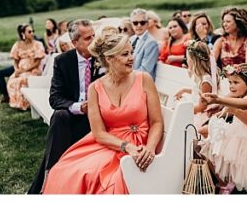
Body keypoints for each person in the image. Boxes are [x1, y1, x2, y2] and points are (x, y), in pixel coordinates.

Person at [42, 31, 164, 194]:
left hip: (140, 144)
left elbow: (156, 122)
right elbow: (98, 133)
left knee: (110, 180)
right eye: (125, 54)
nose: (132, 58)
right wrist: (126, 147)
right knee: (65, 170)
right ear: (109, 59)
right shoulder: (95, 88)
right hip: (110, 143)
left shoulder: (144, 79)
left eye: (131, 53)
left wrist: (149, 149)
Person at [28, 19, 102, 194]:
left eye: (93, 36)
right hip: (74, 114)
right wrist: (78, 107)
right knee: (60, 116)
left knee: (58, 132)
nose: (93, 41)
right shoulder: (62, 61)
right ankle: (51, 174)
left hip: (98, 116)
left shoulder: (103, 58)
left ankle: (46, 183)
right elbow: (55, 98)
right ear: (75, 42)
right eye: (87, 38)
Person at [205, 63, 247, 194]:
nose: (231, 86)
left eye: (236, 82)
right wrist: (222, 112)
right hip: (235, 135)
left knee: (239, 166)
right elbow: (229, 109)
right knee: (226, 161)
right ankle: (226, 184)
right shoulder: (238, 98)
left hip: (245, 139)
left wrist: (235, 111)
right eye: (230, 82)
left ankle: (234, 187)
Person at [6, 23, 46, 110]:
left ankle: (27, 104)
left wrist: (24, 70)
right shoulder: (17, 45)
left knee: (22, 80)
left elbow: (37, 63)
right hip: (21, 69)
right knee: (12, 80)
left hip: (33, 69)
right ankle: (16, 103)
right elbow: (15, 61)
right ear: (23, 34)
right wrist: (17, 70)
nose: (32, 33)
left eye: (33, 31)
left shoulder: (38, 44)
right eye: (29, 32)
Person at [130, 8, 160, 78]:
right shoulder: (131, 39)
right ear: (131, 24)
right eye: (135, 23)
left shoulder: (151, 43)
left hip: (142, 83)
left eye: (142, 22)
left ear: (147, 24)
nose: (139, 25)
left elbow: (145, 70)